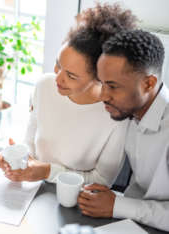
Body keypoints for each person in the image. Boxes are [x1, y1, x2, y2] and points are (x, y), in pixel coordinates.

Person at [0, 3, 138, 185]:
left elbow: (102, 181)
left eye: (71, 75)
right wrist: (17, 160)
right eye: (58, 64)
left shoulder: (115, 115)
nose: (58, 78)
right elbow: (29, 142)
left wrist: (47, 172)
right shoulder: (44, 85)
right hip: (33, 191)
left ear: (99, 78)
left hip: (76, 202)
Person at [78, 29, 169, 232]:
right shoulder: (130, 110)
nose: (103, 95)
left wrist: (117, 205)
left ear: (148, 83)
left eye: (113, 86)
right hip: (127, 223)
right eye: (102, 83)